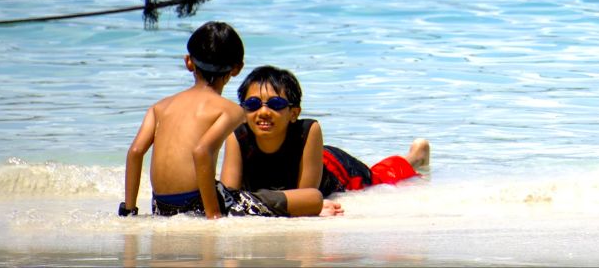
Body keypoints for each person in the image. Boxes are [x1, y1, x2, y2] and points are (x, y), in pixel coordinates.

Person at [121, 21, 332, 219]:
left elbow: (135, 152)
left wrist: (130, 209)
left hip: (162, 206)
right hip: (200, 203)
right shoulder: (230, 110)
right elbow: (202, 151)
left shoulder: (160, 106)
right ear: (237, 69)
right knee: (313, 198)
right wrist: (213, 215)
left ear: (188, 62)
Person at [220, 65, 429, 206]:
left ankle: (416, 156)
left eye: (275, 104)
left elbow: (307, 196)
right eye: (253, 104)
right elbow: (229, 197)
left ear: (294, 113)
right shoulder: (238, 136)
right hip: (302, 173)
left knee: (381, 178)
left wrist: (257, 200)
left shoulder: (307, 131)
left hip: (336, 169)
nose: (263, 112)